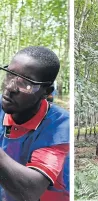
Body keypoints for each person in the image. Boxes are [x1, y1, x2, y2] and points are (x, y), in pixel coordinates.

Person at [0, 46, 69, 201]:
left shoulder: (60, 127)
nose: (10, 87)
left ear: (46, 91)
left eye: (25, 84)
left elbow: (30, 191)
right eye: (9, 75)